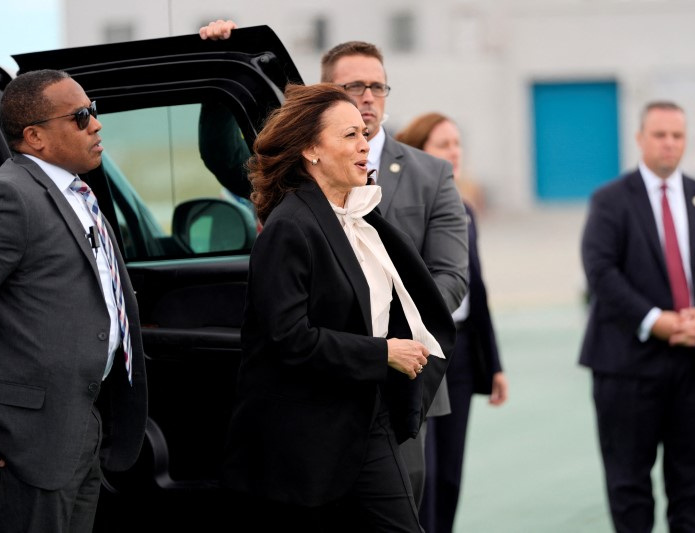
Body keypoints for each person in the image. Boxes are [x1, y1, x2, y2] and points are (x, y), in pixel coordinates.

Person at [200, 19, 469, 508]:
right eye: (353, 89)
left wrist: (408, 344)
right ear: (312, 147)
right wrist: (382, 350)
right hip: (315, 426)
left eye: (377, 86)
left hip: (381, 407)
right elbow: (287, 338)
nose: (367, 106)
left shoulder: (370, 205)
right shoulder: (291, 224)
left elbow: (443, 279)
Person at [579, 101, 695, 532]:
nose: (669, 143)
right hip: (627, 369)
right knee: (629, 490)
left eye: (677, 135)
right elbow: (601, 272)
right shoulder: (610, 201)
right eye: (660, 135)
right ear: (640, 139)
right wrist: (657, 319)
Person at [0, 69, 148, 532]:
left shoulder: (76, 190)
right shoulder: (11, 196)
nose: (96, 124)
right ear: (35, 137)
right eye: (81, 117)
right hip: (26, 441)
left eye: (93, 110)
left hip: (83, 424)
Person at [395, 112, 508, 533]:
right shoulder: (403, 205)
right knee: (424, 468)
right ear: (417, 153)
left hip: (459, 354)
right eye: (443, 145)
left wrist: (493, 364)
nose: (454, 153)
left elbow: (477, 291)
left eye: (457, 144)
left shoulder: (465, 211)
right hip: (421, 351)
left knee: (450, 476)